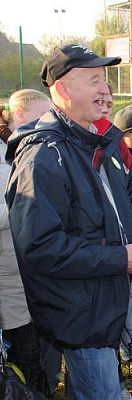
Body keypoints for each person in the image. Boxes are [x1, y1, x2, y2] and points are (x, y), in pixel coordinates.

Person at [5, 44, 132, 400]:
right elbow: (40, 247)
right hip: (80, 317)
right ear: (62, 90)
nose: (106, 91)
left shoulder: (99, 142)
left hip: (105, 306)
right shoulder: (44, 156)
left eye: (104, 80)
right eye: (93, 81)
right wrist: (120, 258)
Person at [0, 89, 50, 393]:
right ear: (20, 115)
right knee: (27, 356)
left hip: (31, 268)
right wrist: (27, 201)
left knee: (40, 353)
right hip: (10, 274)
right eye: (41, 116)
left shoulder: (23, 148)